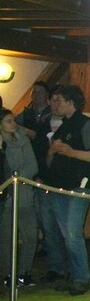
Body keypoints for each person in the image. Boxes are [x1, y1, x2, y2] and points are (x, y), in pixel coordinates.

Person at [38, 85, 90, 295]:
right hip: (59, 186)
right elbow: (52, 158)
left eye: (59, 99)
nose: (54, 104)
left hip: (79, 185)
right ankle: (74, 274)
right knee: (66, 234)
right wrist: (53, 151)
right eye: (53, 99)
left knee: (72, 233)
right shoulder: (65, 125)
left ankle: (81, 277)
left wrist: (70, 152)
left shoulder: (87, 125)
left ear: (71, 101)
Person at [0, 107, 38, 288]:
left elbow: (33, 165)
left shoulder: (23, 140)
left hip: (24, 196)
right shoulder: (2, 145)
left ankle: (24, 272)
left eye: (13, 120)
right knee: (7, 239)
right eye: (8, 121)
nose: (13, 124)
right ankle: (8, 274)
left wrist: (19, 176)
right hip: (6, 198)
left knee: (31, 236)